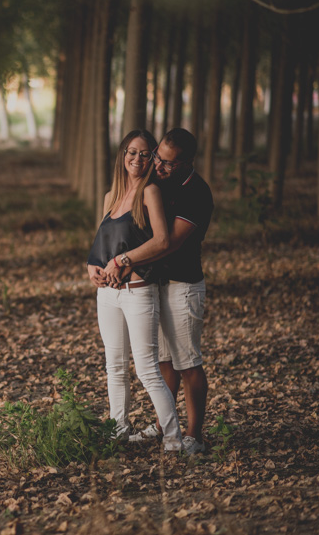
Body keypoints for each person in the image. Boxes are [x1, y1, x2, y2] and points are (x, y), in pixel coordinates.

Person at [103, 128, 213, 455]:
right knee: (163, 361)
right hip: (156, 284)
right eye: (157, 158)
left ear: (186, 162)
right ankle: (163, 423)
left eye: (167, 163)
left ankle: (194, 435)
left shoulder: (197, 193)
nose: (159, 166)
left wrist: (124, 260)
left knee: (187, 362)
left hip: (183, 285)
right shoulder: (159, 182)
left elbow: (168, 243)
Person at [86, 129, 183, 452]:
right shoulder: (110, 196)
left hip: (139, 291)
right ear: (122, 154)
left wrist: (123, 259)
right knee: (114, 365)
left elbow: (162, 241)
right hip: (109, 295)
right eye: (131, 152)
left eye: (144, 154)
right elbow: (101, 246)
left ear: (152, 157)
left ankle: (173, 437)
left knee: (146, 369)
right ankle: (118, 429)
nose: (137, 159)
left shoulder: (150, 192)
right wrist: (93, 267)